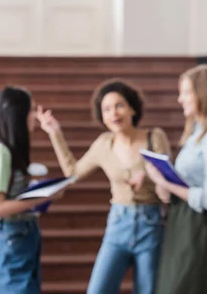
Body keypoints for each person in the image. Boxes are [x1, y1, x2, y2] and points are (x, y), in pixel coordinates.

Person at [37, 79, 171, 294]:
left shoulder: (154, 137)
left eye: (119, 105)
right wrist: (55, 133)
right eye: (106, 109)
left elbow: (167, 176)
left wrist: (146, 174)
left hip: (151, 225)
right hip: (118, 225)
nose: (113, 114)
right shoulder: (103, 144)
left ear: (132, 109)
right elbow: (73, 172)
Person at [144, 64, 207, 294]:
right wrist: (163, 185)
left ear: (203, 94)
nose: (179, 99)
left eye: (186, 92)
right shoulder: (195, 135)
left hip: (199, 227)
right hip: (181, 222)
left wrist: (165, 182)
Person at [0, 86, 64, 294]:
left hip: (24, 236)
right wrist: (41, 196)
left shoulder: (11, 150)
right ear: (18, 114)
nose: (35, 116)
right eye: (31, 110)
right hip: (12, 240)